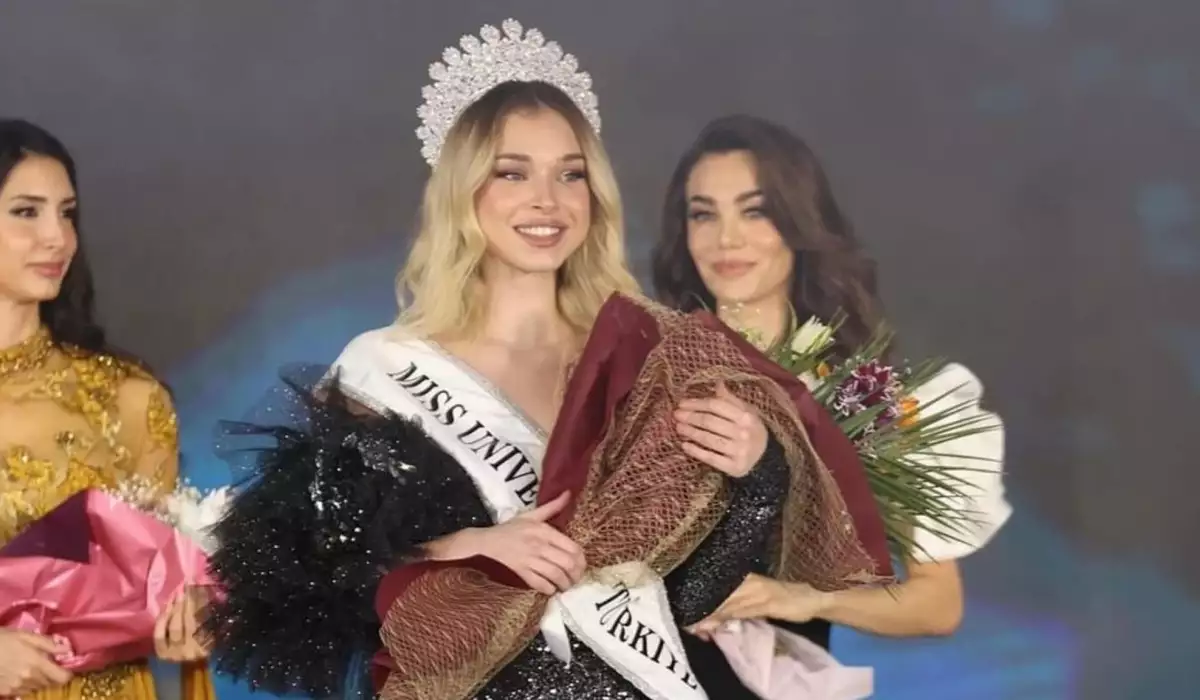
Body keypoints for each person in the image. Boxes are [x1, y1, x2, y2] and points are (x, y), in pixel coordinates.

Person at [205, 20, 889, 700]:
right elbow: (304, 581)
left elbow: (685, 599)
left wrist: (759, 475)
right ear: (464, 190)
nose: (548, 201)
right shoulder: (384, 370)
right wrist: (466, 547)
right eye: (512, 172)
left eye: (571, 174)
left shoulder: (647, 356)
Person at [651, 114, 1012, 667]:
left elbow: (939, 604)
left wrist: (802, 598)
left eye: (755, 210)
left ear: (799, 221)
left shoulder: (861, 403)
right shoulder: (643, 370)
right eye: (704, 214)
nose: (727, 238)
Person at [0, 119, 212, 699]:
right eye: (26, 212)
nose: (57, 237)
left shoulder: (128, 396)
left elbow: (168, 582)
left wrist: (195, 612)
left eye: (66, 213)